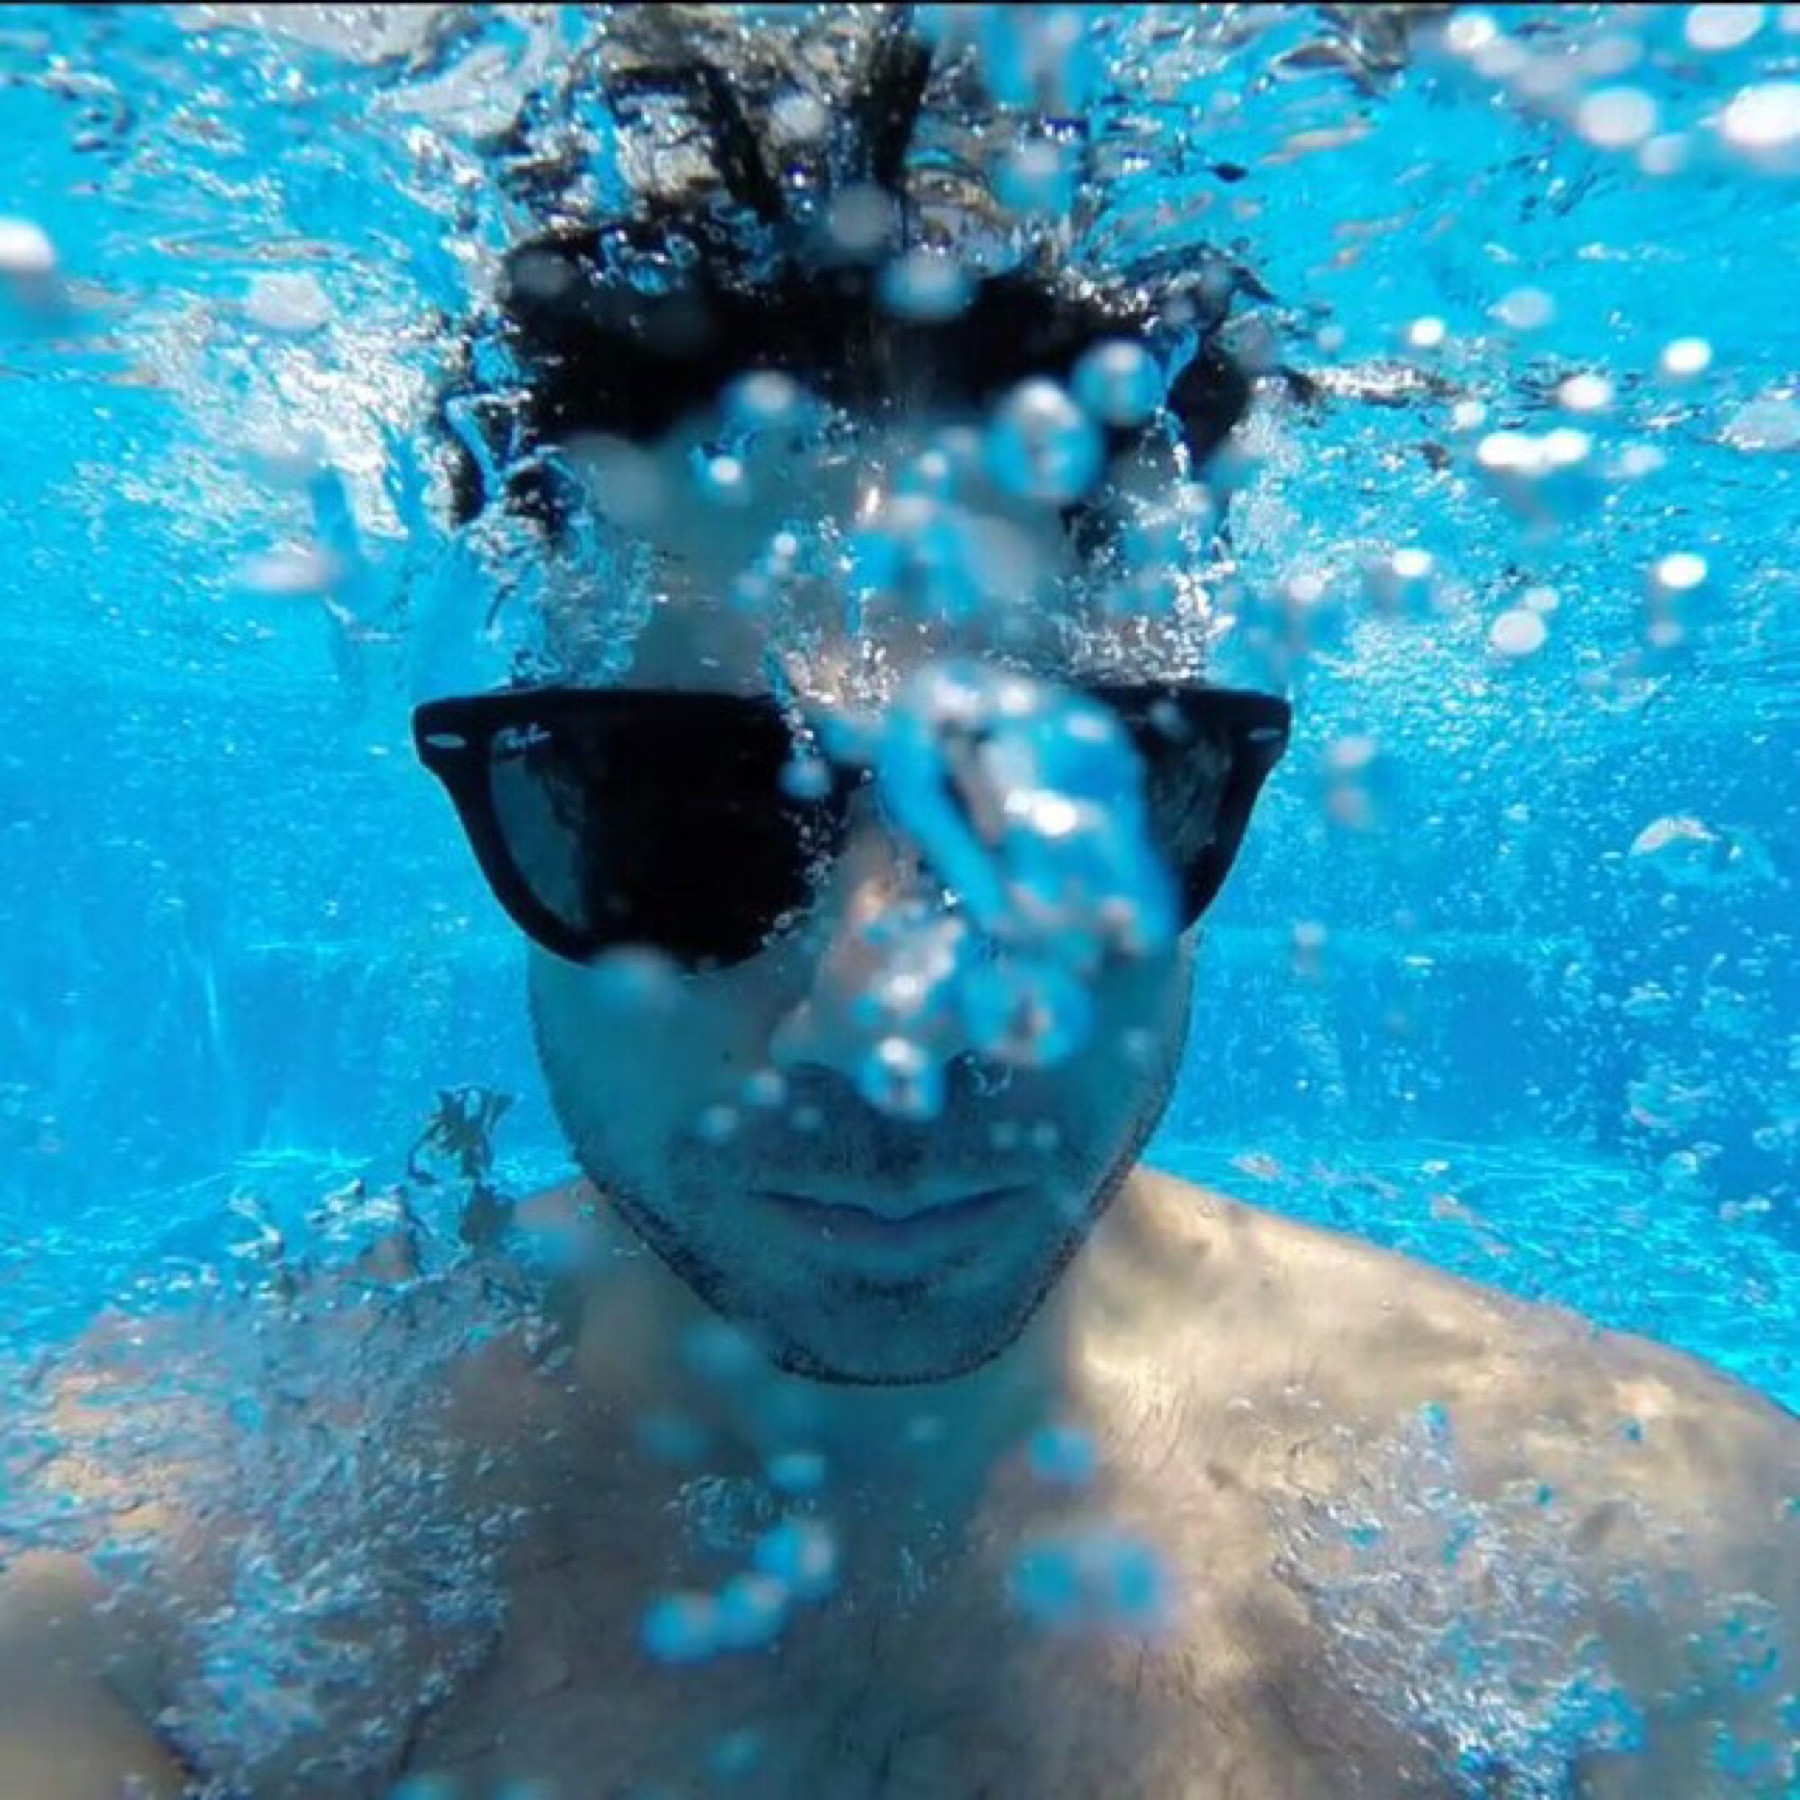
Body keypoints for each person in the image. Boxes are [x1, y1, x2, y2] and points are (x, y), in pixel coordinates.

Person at [3, 17, 1797, 1800]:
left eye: (1053, 808)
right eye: (678, 816)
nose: (895, 1027)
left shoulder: (1656, 1568)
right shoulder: (136, 1577)